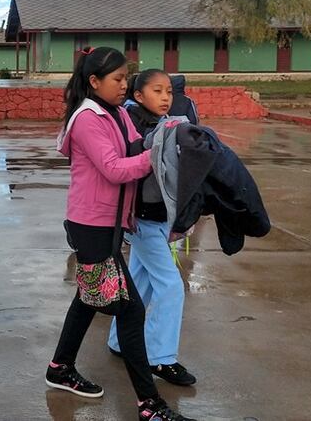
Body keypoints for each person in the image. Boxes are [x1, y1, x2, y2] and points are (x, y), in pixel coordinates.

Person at [47, 47, 195, 421]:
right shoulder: (87, 118)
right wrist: (156, 154)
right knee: (131, 311)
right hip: (91, 226)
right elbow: (115, 168)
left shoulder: (116, 113)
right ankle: (150, 406)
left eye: (127, 78)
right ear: (94, 82)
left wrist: (165, 134)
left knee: (87, 297)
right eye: (117, 80)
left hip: (110, 224)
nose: (123, 85)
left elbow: (135, 145)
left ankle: (59, 367)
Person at [108, 69, 198, 387]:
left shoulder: (168, 123)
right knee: (171, 286)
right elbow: (134, 161)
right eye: (157, 91)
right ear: (138, 96)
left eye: (169, 92)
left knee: (140, 283)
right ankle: (161, 359)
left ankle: (118, 342)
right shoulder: (134, 126)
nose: (165, 97)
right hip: (142, 220)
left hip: (159, 219)